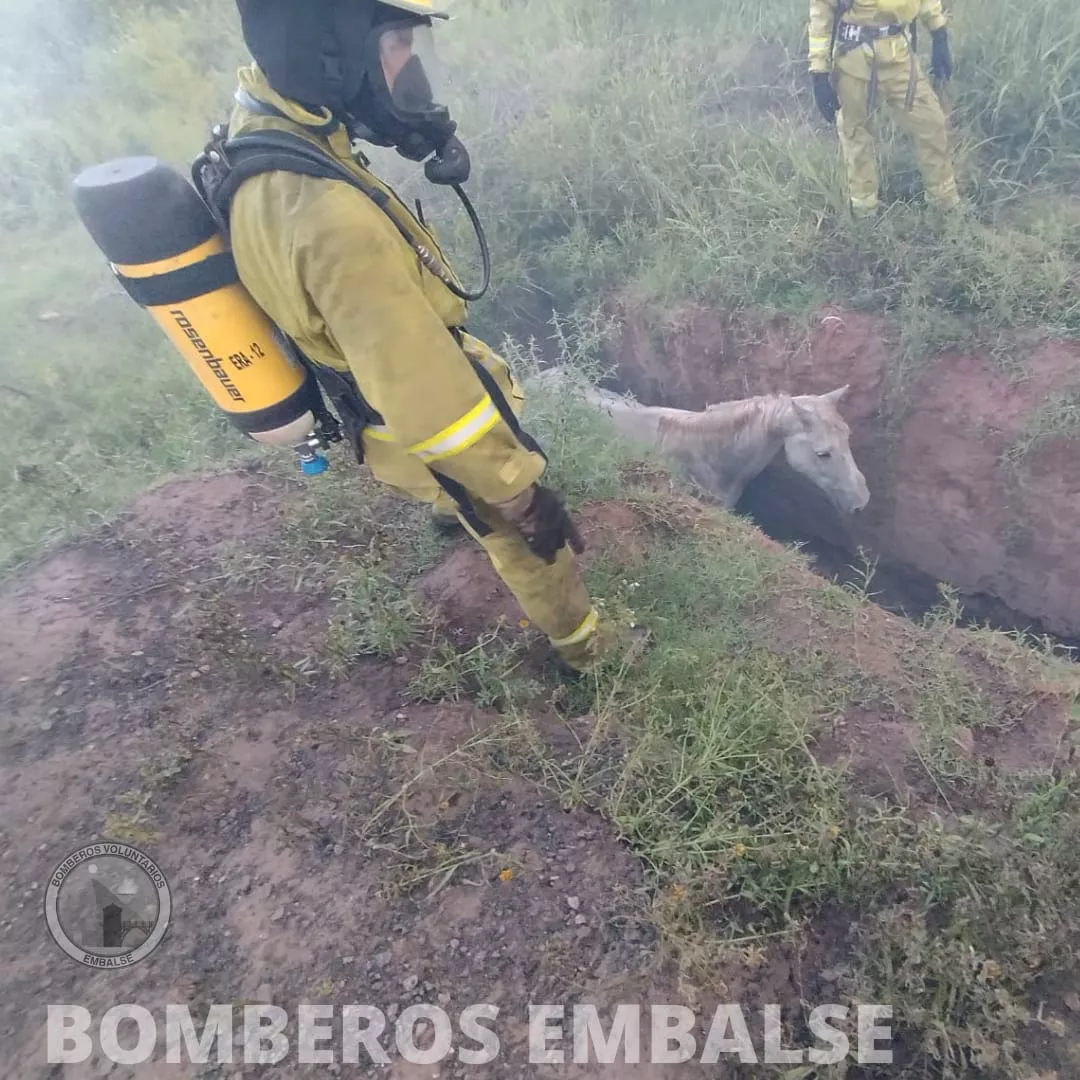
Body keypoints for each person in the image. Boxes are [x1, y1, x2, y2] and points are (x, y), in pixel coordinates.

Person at [225, 0, 621, 676]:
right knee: (525, 538)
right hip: (407, 425)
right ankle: (588, 652)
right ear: (329, 48)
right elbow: (437, 411)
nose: (409, 63)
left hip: (360, 393)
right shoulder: (334, 227)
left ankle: (449, 505)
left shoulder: (267, 127)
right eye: (398, 41)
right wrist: (518, 494)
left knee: (468, 482)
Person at [808, 1, 961, 214]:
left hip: (899, 55)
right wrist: (819, 73)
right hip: (854, 57)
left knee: (930, 121)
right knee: (856, 133)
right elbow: (821, 14)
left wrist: (939, 33)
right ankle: (865, 211)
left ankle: (944, 204)